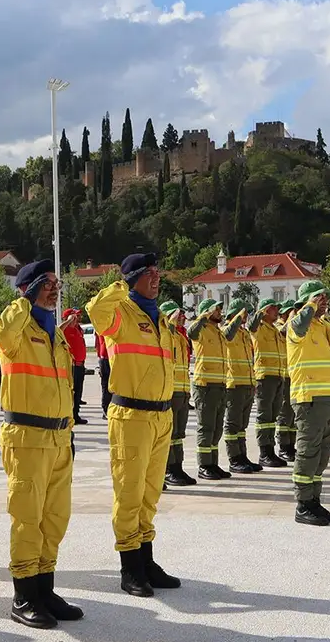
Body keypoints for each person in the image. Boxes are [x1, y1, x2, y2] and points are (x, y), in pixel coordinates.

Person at [0, 259, 84, 630]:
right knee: (27, 517)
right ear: (27, 288)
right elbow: (1, 331)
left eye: (55, 282)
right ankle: (24, 594)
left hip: (59, 436)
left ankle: (45, 588)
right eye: (45, 283)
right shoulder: (16, 329)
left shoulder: (55, 332)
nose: (54, 288)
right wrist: (23, 301)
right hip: (27, 437)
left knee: (54, 517)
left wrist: (70, 432)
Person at [85, 252, 180, 597]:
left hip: (161, 415)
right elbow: (94, 310)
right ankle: (129, 567)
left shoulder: (162, 320)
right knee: (129, 492)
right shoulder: (120, 313)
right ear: (133, 277)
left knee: (150, 493)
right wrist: (121, 285)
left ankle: (146, 558)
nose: (157, 278)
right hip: (131, 416)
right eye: (149, 273)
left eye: (158, 272)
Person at [285, 281, 330, 524]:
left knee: (321, 455)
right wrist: (310, 304)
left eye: (324, 298)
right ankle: (303, 504)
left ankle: (314, 501)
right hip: (308, 399)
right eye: (319, 298)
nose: (324, 301)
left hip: (328, 399)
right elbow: (298, 326)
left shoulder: (322, 326)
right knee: (307, 453)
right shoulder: (297, 324)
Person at [187, 299, 228, 480]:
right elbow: (191, 331)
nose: (220, 312)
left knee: (217, 428)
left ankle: (213, 463)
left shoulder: (217, 331)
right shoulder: (200, 329)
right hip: (205, 385)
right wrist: (204, 314)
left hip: (219, 383)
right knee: (206, 427)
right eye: (216, 310)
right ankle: (204, 465)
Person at [248, 299, 289, 469]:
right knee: (265, 416)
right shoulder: (259, 327)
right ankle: (264, 452)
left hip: (278, 375)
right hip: (265, 376)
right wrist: (259, 311)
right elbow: (251, 325)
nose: (276, 311)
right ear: (265, 310)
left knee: (273, 416)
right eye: (273, 308)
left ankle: (271, 450)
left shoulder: (275, 330)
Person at [159, 301, 196, 486]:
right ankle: (167, 469)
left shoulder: (181, 337)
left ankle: (177, 467)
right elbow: (165, 335)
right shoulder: (165, 334)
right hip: (170, 391)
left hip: (182, 391)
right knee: (169, 434)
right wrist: (170, 322)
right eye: (177, 314)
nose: (182, 317)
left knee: (178, 434)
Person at [220, 300, 259, 474]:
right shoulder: (226, 330)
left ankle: (242, 456)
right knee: (232, 424)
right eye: (242, 315)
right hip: (234, 383)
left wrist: (253, 382)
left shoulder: (243, 333)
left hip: (247, 383)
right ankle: (234, 458)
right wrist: (236, 318)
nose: (245, 317)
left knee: (242, 425)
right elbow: (227, 335)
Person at [274, 302, 299, 462]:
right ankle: (283, 446)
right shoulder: (277, 327)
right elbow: (282, 333)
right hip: (282, 375)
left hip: (293, 374)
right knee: (284, 413)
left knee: (292, 414)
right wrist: (291, 319)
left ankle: (291, 445)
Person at [62, 308, 89, 426]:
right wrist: (68, 321)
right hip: (72, 366)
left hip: (80, 365)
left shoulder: (77, 329)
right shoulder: (66, 329)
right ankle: (70, 415)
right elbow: (58, 329)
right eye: (74, 317)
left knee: (78, 392)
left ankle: (76, 414)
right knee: (72, 392)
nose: (77, 319)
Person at [95, 333, 112, 417]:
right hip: (106, 358)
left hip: (108, 357)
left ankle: (107, 408)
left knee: (111, 386)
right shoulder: (103, 328)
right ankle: (106, 408)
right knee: (106, 386)